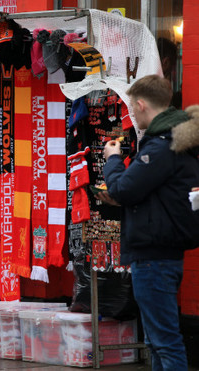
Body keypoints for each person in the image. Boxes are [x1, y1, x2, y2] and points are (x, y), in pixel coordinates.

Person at [99, 75, 199, 370]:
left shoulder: (160, 147)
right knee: (158, 343)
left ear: (142, 105)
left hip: (153, 259)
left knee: (165, 343)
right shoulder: (174, 141)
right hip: (162, 255)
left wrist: (113, 159)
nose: (132, 112)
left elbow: (122, 189)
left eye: (132, 106)